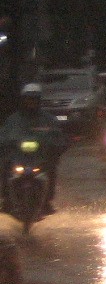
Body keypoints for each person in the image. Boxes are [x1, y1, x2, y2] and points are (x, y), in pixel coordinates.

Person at [0, 85, 68, 213]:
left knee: (52, 168)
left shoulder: (48, 119)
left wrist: (57, 145)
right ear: (23, 100)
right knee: (5, 167)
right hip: (18, 157)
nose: (31, 102)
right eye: (28, 99)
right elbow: (4, 134)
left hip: (40, 157)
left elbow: (58, 135)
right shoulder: (13, 120)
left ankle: (47, 201)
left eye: (34, 99)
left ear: (39, 100)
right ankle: (6, 200)